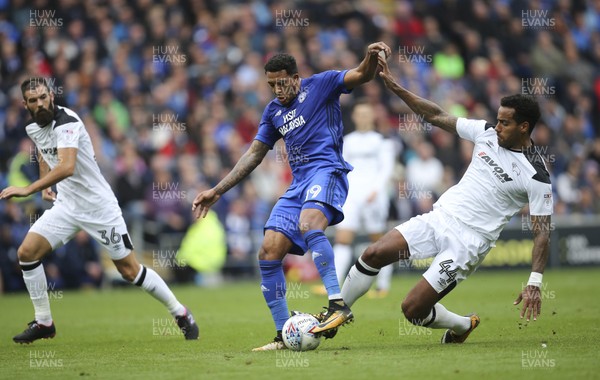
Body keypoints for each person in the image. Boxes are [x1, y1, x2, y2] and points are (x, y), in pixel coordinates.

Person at [316, 55, 553, 343]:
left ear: (524, 127)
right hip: (440, 218)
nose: (497, 126)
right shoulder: (486, 133)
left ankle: (463, 325)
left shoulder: (536, 176)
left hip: (468, 242)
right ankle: (338, 312)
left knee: (413, 310)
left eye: (504, 122)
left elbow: (542, 231)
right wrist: (395, 87)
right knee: (373, 254)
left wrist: (534, 282)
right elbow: (435, 115)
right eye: (497, 119)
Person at [192, 43, 392, 351]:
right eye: (270, 84)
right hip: (298, 185)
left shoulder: (322, 84)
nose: (276, 89)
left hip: (327, 172)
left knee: (309, 222)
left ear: (296, 78)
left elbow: (362, 76)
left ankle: (338, 304)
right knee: (268, 251)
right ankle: (283, 335)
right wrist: (217, 190)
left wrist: (369, 57)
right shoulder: (273, 112)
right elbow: (253, 155)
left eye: (281, 83)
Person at [0, 78, 198, 343]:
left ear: (51, 96)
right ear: (25, 104)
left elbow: (68, 166)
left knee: (129, 271)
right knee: (26, 253)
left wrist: (30, 189)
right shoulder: (33, 126)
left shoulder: (67, 122)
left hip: (98, 208)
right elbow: (43, 150)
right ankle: (44, 322)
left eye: (43, 97)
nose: (40, 103)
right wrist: (46, 181)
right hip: (67, 206)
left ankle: (181, 313)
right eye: (33, 100)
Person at [332, 100, 396, 298]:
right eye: (359, 114)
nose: (362, 117)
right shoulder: (348, 141)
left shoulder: (383, 141)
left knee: (377, 240)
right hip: (351, 195)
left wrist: (377, 190)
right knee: (343, 238)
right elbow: (341, 168)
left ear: (373, 116)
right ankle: (334, 285)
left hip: (373, 195)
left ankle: (382, 285)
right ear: (354, 117)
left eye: (366, 113)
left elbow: (387, 168)